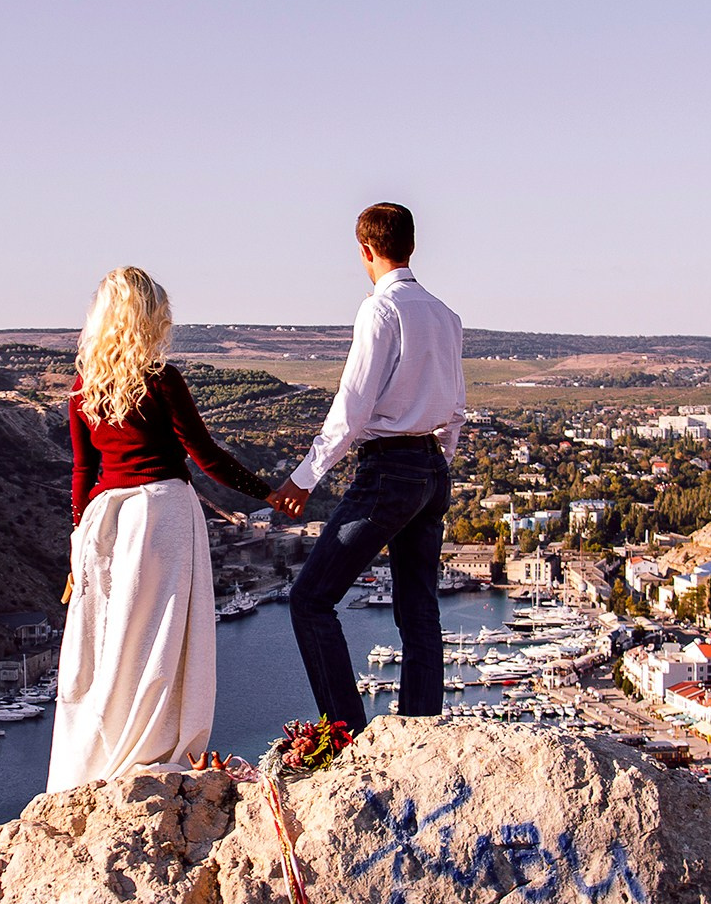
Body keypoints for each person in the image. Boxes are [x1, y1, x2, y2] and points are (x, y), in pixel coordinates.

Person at [49, 267, 284, 791]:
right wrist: (268, 492)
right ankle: (155, 747)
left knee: (111, 642)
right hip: (161, 515)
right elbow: (205, 455)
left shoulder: (84, 387)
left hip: (104, 522)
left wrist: (77, 544)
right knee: (163, 638)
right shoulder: (160, 379)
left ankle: (100, 753)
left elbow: (82, 471)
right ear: (152, 317)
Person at [274, 203, 465, 732]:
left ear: (365, 251)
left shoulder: (380, 311)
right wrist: (436, 465)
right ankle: (420, 733)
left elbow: (353, 407)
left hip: (390, 470)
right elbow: (456, 409)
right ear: (412, 246)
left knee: (310, 600)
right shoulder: (446, 315)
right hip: (431, 470)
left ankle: (346, 736)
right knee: (420, 610)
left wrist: (305, 477)